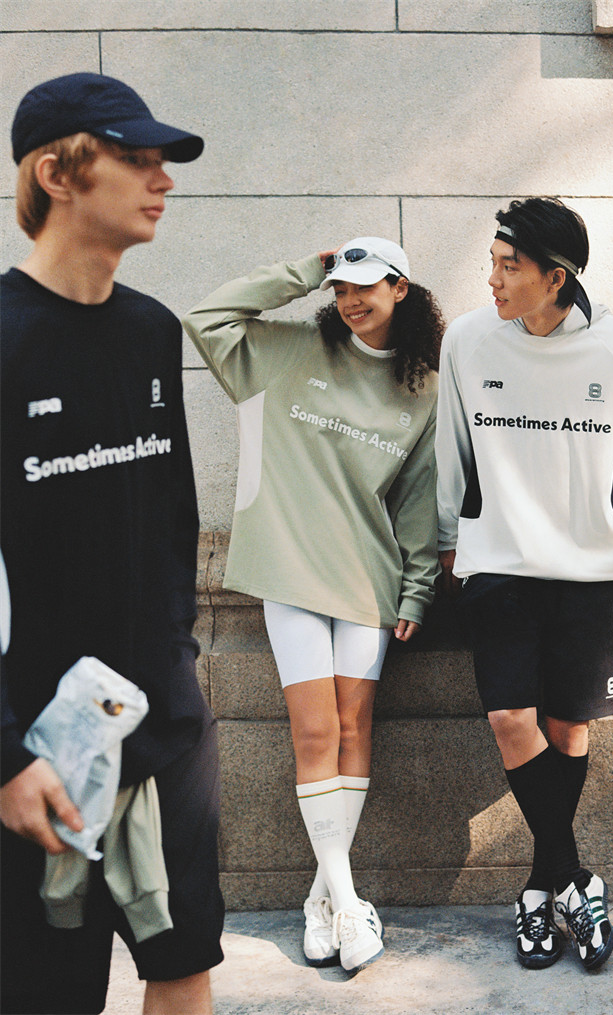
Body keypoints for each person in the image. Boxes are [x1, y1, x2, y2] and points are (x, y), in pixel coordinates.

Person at [0, 73, 224, 1015]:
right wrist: (8, 753)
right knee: (51, 994)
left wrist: (178, 671)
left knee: (183, 969)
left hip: (166, 730)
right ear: (57, 172)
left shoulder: (150, 330)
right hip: (40, 751)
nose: (161, 178)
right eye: (135, 158)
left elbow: (172, 525)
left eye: (163, 160)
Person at [183, 237, 443, 973]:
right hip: (290, 573)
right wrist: (304, 270)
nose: (350, 301)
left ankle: (323, 898)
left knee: (356, 725)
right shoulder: (283, 352)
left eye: (364, 287)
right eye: (339, 289)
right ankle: (350, 899)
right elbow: (204, 319)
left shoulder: (420, 385)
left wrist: (417, 585)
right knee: (315, 728)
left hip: (367, 578)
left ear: (400, 288)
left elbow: (420, 498)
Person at [436, 197, 613, 972]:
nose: (493, 279)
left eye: (510, 267)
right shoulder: (469, 340)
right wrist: (445, 539)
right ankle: (578, 878)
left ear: (557, 277)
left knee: (571, 729)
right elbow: (451, 448)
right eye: (493, 263)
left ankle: (540, 892)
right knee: (511, 719)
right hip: (499, 561)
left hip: (590, 571)